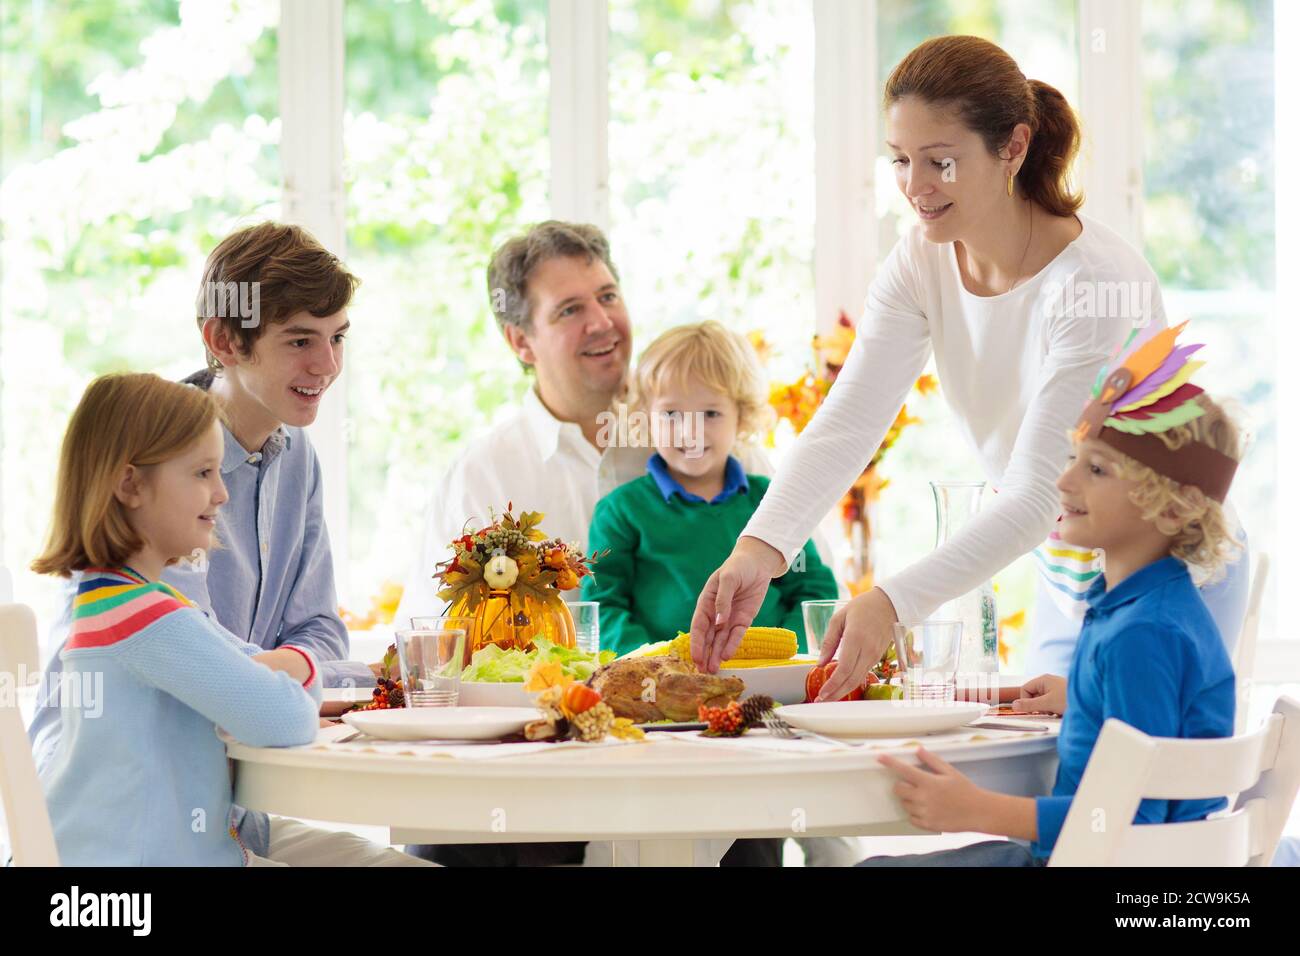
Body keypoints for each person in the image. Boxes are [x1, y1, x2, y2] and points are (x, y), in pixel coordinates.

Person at [690, 34, 1247, 696]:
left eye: (941, 162)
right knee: (1050, 777)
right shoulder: (921, 262)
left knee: (1129, 790)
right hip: (1067, 568)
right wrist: (761, 549)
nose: (916, 187)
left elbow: (1038, 493)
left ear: (1012, 147)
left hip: (1169, 571)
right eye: (900, 160)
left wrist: (892, 603)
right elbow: (851, 420)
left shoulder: (1093, 286)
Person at [398, 222, 848, 866]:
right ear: (520, 340)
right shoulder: (485, 475)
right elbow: (442, 654)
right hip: (534, 780)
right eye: (571, 309)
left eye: (608, 296)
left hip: (712, 757)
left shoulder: (728, 452)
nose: (602, 321)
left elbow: (810, 585)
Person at [28, 222, 392, 864]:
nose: (327, 365)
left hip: (221, 815)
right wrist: (295, 676)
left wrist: (281, 670)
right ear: (224, 339)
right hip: (120, 839)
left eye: (337, 339)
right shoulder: (159, 470)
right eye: (300, 340)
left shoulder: (297, 457)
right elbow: (210, 655)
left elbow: (316, 630)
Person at [860, 330, 1240, 865]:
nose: (1063, 480)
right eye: (1072, 458)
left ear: (1173, 509)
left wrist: (974, 808)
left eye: (1096, 468)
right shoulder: (1142, 609)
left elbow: (1130, 823)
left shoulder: (1141, 635)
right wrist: (1088, 696)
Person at [583, 321, 837, 656]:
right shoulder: (620, 511)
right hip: (662, 684)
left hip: (768, 679)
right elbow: (603, 605)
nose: (690, 431)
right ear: (645, 417)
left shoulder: (772, 500)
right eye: (672, 413)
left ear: (741, 417)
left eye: (711, 413)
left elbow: (813, 590)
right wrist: (652, 657)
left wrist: (781, 655)